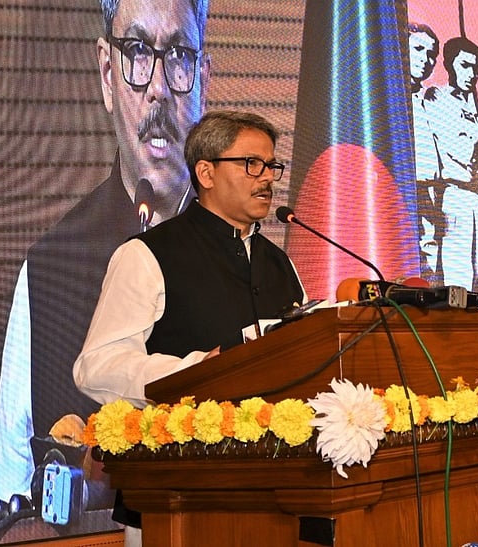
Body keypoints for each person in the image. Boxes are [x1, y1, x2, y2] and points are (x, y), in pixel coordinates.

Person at [0, 0, 211, 509]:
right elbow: (9, 489)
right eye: (138, 52)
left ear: (203, 78)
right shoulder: (50, 272)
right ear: (107, 75)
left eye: (179, 55)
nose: (159, 88)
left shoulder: (252, 263)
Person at [74, 110, 305, 544]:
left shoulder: (280, 263)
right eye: (251, 164)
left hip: (273, 498)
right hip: (172, 499)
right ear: (206, 172)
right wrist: (201, 370)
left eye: (272, 165)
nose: (268, 178)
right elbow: (97, 366)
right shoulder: (147, 255)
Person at [420, 36, 478, 289]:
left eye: (475, 68)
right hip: (456, 195)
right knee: (459, 279)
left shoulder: (473, 105)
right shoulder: (437, 97)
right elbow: (456, 151)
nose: (472, 74)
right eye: (465, 66)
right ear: (449, 65)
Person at [408, 23, 442, 279]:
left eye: (432, 55)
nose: (426, 59)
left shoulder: (432, 99)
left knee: (430, 252)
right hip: (402, 188)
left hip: (430, 189)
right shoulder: (387, 94)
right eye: (418, 49)